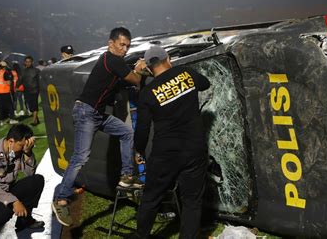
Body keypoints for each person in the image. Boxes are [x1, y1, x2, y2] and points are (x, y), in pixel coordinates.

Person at [52, 27, 147, 227]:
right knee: (81, 157)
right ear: (110, 43)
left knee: (126, 132)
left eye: (128, 46)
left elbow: (118, 85)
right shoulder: (112, 60)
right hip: (87, 113)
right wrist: (139, 69)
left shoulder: (111, 62)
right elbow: (136, 80)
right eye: (122, 45)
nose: (125, 49)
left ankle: (127, 176)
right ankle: (61, 200)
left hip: (95, 114)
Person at [133, 46, 210, 239]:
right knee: (192, 201)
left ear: (149, 68)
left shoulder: (147, 92)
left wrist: (139, 151)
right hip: (194, 149)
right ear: (168, 58)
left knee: (151, 198)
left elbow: (142, 129)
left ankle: (142, 235)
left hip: (165, 153)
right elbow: (205, 84)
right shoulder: (185, 74)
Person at [0, 124, 45, 238]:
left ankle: (24, 221)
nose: (24, 148)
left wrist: (28, 153)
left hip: (6, 192)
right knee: (6, 210)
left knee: (37, 181)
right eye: (22, 145)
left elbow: (30, 174)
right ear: (11, 141)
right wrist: (14, 201)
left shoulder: (18, 151)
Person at [0, 61, 18, 125]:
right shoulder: (5, 73)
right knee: (10, 106)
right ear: (4, 67)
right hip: (5, 92)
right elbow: (9, 83)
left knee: (0, 107)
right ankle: (12, 119)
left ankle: (1, 120)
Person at [17, 56, 40, 125]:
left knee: (34, 105)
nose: (28, 63)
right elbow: (20, 80)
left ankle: (34, 121)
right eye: (26, 62)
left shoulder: (36, 70)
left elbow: (40, 80)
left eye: (29, 61)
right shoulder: (23, 71)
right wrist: (16, 86)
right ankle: (36, 118)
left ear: (32, 62)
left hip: (35, 90)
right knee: (30, 106)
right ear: (24, 62)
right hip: (27, 90)